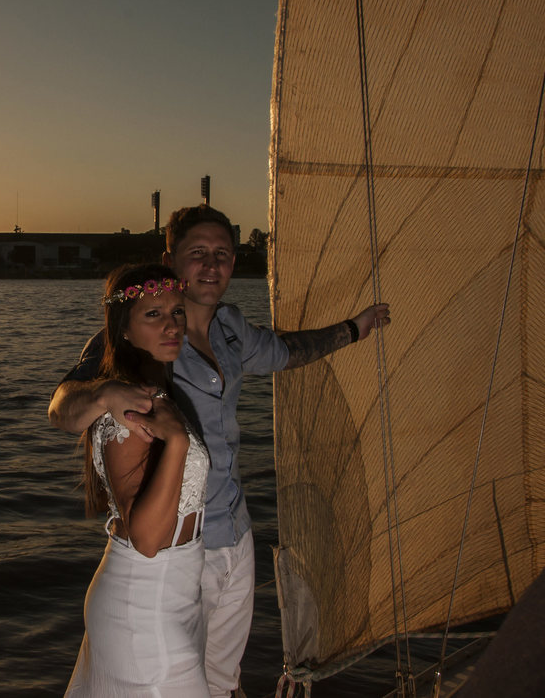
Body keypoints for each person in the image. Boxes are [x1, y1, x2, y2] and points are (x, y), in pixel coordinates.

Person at [50, 205, 390, 698]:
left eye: (224, 255)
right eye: (198, 254)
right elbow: (62, 406)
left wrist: (353, 330)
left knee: (223, 681)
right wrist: (103, 396)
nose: (212, 266)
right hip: (180, 551)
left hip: (236, 532)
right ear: (171, 259)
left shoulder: (232, 329)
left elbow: (290, 350)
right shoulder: (139, 336)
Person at [66, 263, 212, 697]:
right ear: (124, 330)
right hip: (144, 609)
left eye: (177, 312)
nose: (172, 325)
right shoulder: (129, 408)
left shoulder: (155, 392)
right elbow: (147, 538)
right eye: (153, 314)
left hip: (176, 597)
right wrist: (179, 445)